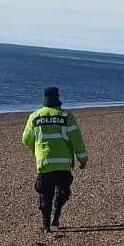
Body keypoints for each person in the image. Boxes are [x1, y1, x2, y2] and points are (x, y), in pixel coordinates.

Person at [22, 87, 88, 233]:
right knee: (63, 192)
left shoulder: (35, 116)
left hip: (45, 163)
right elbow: (76, 139)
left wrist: (36, 151)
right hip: (63, 164)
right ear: (58, 97)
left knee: (45, 194)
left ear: (44, 98)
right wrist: (82, 158)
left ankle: (46, 226)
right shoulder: (66, 116)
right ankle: (56, 217)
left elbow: (26, 139)